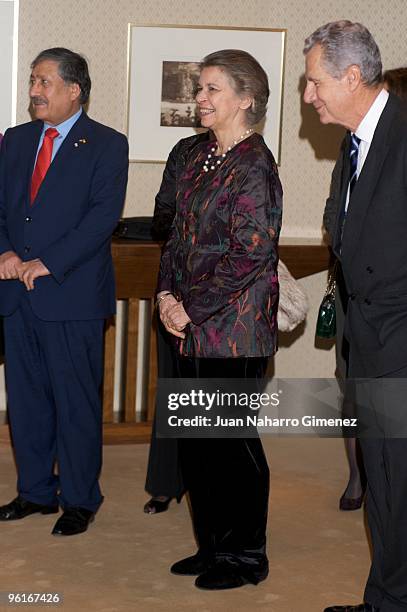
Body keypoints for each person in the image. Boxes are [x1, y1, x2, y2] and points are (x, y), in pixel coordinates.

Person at [157, 49, 282, 590]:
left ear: (246, 99)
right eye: (199, 88)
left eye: (212, 90)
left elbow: (250, 254)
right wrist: (165, 293)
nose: (200, 98)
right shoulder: (194, 156)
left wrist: (190, 305)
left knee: (232, 447)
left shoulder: (256, 165)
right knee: (197, 443)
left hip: (234, 330)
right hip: (189, 327)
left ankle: (246, 557)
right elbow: (175, 233)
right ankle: (211, 546)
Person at [0, 48, 128, 536]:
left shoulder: (107, 145)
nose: (34, 90)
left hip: (71, 294)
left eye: (44, 81)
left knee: (75, 402)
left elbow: (100, 220)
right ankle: (35, 491)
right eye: (33, 80)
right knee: (27, 401)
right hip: (16, 295)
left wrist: (47, 263)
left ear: (75, 91)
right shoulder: (15, 140)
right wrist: (6, 253)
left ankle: (79, 498)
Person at [304, 21, 407, 612]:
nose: (309, 95)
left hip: (401, 343)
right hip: (366, 340)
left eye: (316, 82)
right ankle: (385, 599)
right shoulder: (354, 142)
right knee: (385, 485)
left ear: (351, 76)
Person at [324, 66, 407, 513]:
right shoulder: (350, 148)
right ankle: (359, 476)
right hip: (354, 297)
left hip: (394, 313)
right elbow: (336, 209)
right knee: (352, 391)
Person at [144, 130, 210, 514]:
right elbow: (160, 218)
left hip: (225, 298)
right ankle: (167, 483)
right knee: (173, 388)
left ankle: (210, 486)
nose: (202, 99)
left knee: (215, 396)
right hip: (176, 286)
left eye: (212, 90)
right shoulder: (184, 150)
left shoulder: (253, 156)